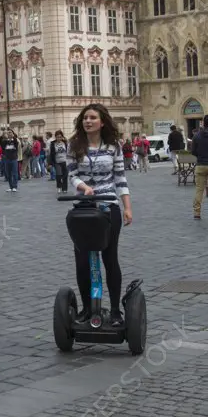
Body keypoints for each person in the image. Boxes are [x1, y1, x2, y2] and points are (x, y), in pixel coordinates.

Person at [67, 103, 133, 328]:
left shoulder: (113, 147)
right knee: (82, 260)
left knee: (110, 258)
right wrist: (83, 186)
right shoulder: (75, 145)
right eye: (85, 118)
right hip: (83, 208)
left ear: (102, 121)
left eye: (93, 118)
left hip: (108, 206)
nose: (88, 121)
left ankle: (115, 310)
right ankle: (87, 308)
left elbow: (120, 178)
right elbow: (72, 174)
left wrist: (127, 207)